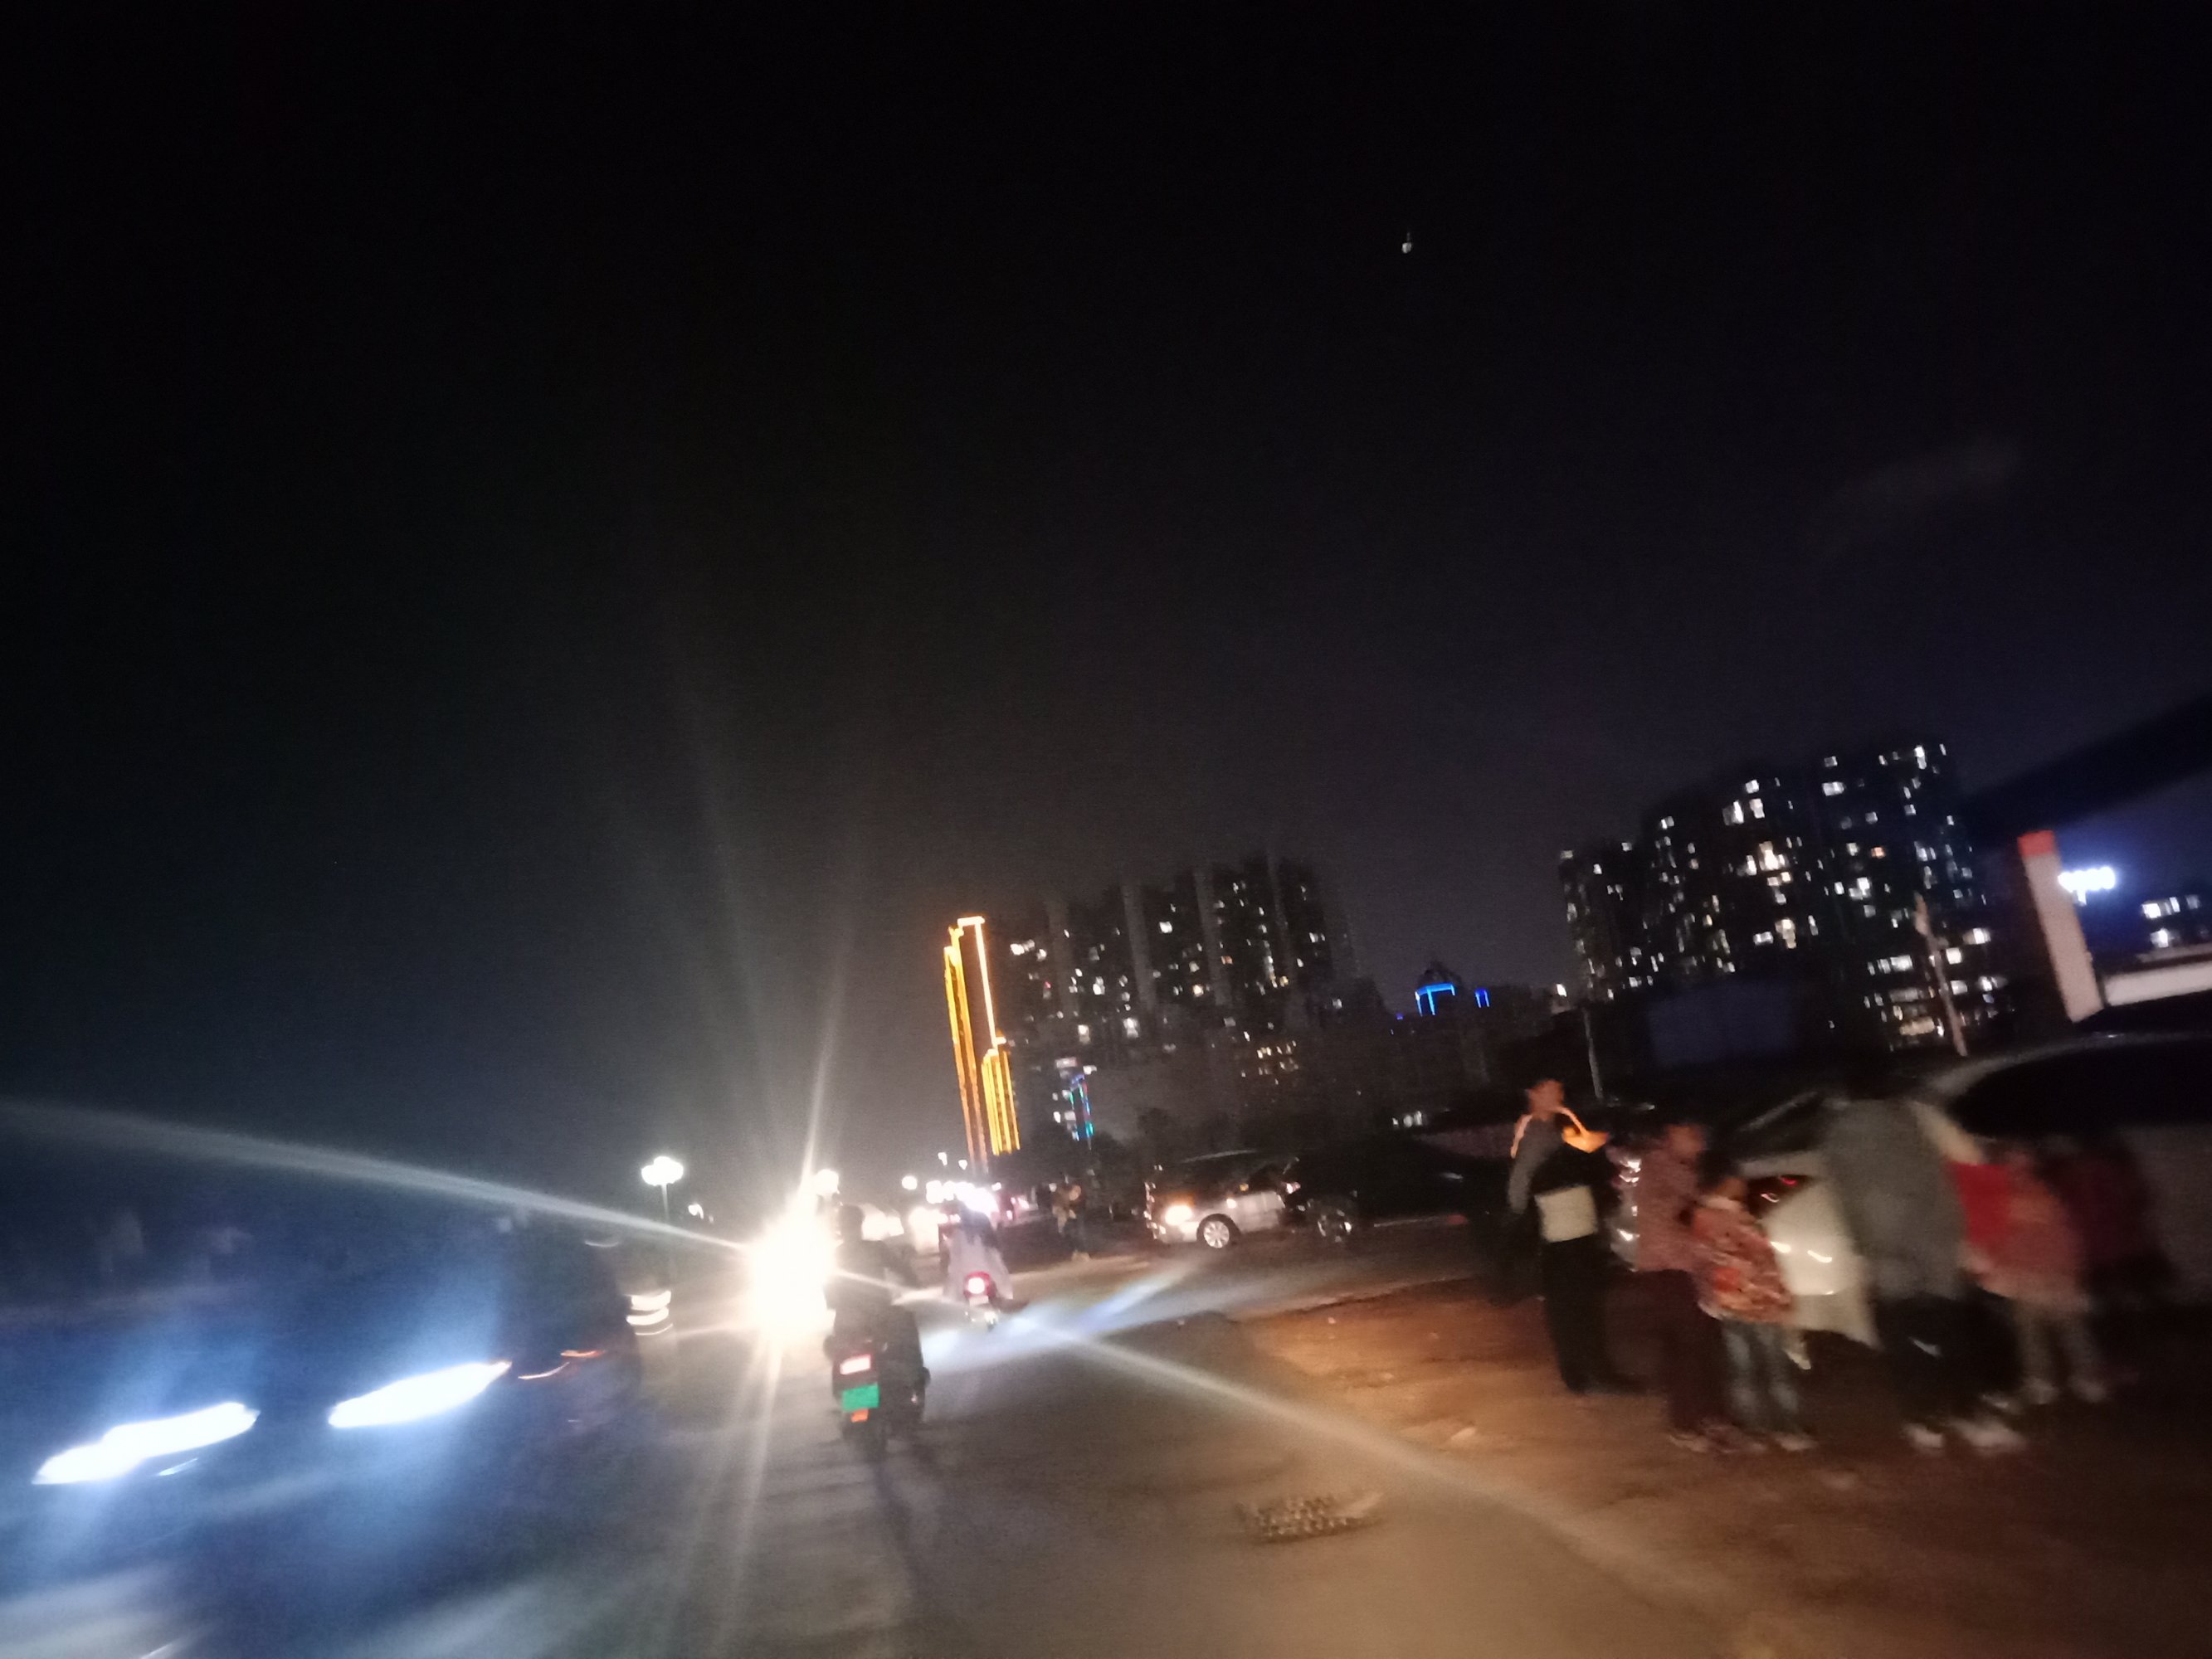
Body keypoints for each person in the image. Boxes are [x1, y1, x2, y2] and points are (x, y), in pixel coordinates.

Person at [1825, 1094, 2022, 1455]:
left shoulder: (1836, 1133)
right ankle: (1969, 1414)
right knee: (1951, 1330)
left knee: (1904, 1337)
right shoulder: (1910, 1118)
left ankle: (1921, 1419)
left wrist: (1862, 1247)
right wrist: (1959, 1238)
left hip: (1883, 1251)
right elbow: (1941, 1180)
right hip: (1930, 1243)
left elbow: (1842, 1198)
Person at [1517, 1080, 1632, 1395]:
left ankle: (1581, 1372)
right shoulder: (1539, 1137)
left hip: (1569, 1234)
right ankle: (1589, 1371)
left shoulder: (1555, 1133)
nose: (1559, 1097)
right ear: (1532, 1094)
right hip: (1565, 1236)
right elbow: (1522, 1188)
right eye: (1551, 1091)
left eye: (1560, 1091)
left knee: (1575, 1306)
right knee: (1577, 1306)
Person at [1981, 1143, 2107, 1406]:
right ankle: (2046, 1382)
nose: (2019, 1166)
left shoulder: (2040, 1192)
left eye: (2023, 1160)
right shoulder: (2006, 1194)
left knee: (2068, 1328)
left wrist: (2071, 1270)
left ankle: (2084, 1379)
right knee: (2034, 1332)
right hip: (2028, 1274)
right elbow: (1997, 1238)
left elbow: (2064, 1234)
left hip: (2049, 1272)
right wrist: (1998, 1267)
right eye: (2014, 1160)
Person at [1693, 1174, 1812, 1450]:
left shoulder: (1701, 1219)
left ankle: (1753, 1430)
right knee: (1776, 1368)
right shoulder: (1744, 1220)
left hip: (1728, 1305)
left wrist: (1708, 1297)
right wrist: (1784, 1302)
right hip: (1761, 1304)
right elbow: (1765, 1265)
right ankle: (1787, 1429)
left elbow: (1702, 1263)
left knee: (1741, 1370)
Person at [1635, 1119, 1730, 1450]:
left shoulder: (1684, 1169)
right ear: (1673, 1134)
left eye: (1700, 1137)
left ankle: (1709, 1416)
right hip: (1670, 1268)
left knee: (1701, 1343)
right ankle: (1686, 1422)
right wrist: (1704, 1238)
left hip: (1688, 1268)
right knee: (1688, 1345)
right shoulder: (1659, 1170)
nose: (1699, 1144)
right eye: (1692, 1136)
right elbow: (1667, 1219)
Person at [826, 1204, 924, 1379]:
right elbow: (902, 1269)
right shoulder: (875, 1249)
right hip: (880, 1318)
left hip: (848, 1325)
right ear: (860, 1224)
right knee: (907, 1325)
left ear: (840, 1228)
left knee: (841, 1356)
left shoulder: (836, 1255)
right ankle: (916, 1377)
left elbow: (830, 1294)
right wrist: (914, 1284)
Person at [943, 1205, 1013, 1303]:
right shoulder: (983, 1232)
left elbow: (954, 1258)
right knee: (1004, 1286)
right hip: (986, 1272)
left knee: (951, 1293)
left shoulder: (959, 1235)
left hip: (968, 1274)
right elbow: (996, 1255)